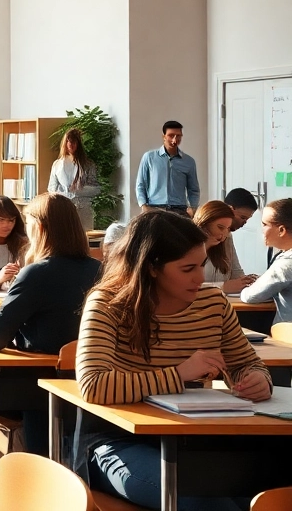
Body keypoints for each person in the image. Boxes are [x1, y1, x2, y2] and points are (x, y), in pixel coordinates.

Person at [80, 212, 274, 510]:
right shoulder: (108, 303)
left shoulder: (212, 302)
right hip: (117, 444)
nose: (200, 277)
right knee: (209, 502)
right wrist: (180, 373)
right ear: (152, 268)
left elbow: (247, 363)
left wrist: (258, 379)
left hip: (197, 439)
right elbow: (94, 385)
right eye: (187, 269)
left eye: (201, 264)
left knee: (264, 491)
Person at [0, 194, 101, 483]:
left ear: (39, 229)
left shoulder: (37, 273)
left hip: (39, 383)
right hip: (88, 382)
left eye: (27, 223)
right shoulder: (100, 271)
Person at [239, 199, 292, 323]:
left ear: (281, 230)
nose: (262, 230)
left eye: (264, 224)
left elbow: (250, 296)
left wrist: (247, 288)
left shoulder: (285, 266)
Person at [135, 120, 200, 216]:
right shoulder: (149, 157)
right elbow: (141, 184)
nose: (174, 140)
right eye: (171, 135)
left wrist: (193, 208)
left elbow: (193, 189)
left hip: (179, 210)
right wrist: (144, 206)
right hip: (155, 208)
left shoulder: (189, 161)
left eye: (178, 136)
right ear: (163, 136)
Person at [193, 200, 254, 293]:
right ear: (205, 222)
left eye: (228, 229)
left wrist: (247, 282)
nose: (224, 234)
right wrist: (222, 287)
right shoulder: (185, 245)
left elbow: (236, 272)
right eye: (220, 227)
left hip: (223, 302)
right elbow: (181, 286)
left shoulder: (226, 239)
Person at [48, 128, 101, 230]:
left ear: (78, 144)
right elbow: (51, 188)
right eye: (68, 141)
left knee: (83, 239)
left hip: (83, 208)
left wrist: (78, 190)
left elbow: (96, 189)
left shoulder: (88, 165)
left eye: (73, 142)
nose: (70, 144)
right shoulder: (57, 164)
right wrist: (64, 193)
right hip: (63, 208)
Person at [222, 187, 261, 268]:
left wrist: (245, 280)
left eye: (247, 219)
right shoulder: (202, 235)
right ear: (230, 209)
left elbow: (235, 268)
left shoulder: (228, 235)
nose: (244, 223)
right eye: (242, 217)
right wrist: (229, 282)